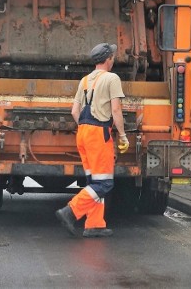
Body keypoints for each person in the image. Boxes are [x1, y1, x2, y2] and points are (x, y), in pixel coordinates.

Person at [55, 43, 129, 238]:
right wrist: (122, 135)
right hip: (98, 133)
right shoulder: (112, 78)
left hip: (83, 132)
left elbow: (74, 111)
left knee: (94, 181)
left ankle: (95, 224)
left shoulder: (85, 80)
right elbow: (116, 110)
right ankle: (70, 211)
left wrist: (86, 126)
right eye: (113, 56)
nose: (114, 59)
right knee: (104, 184)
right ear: (108, 59)